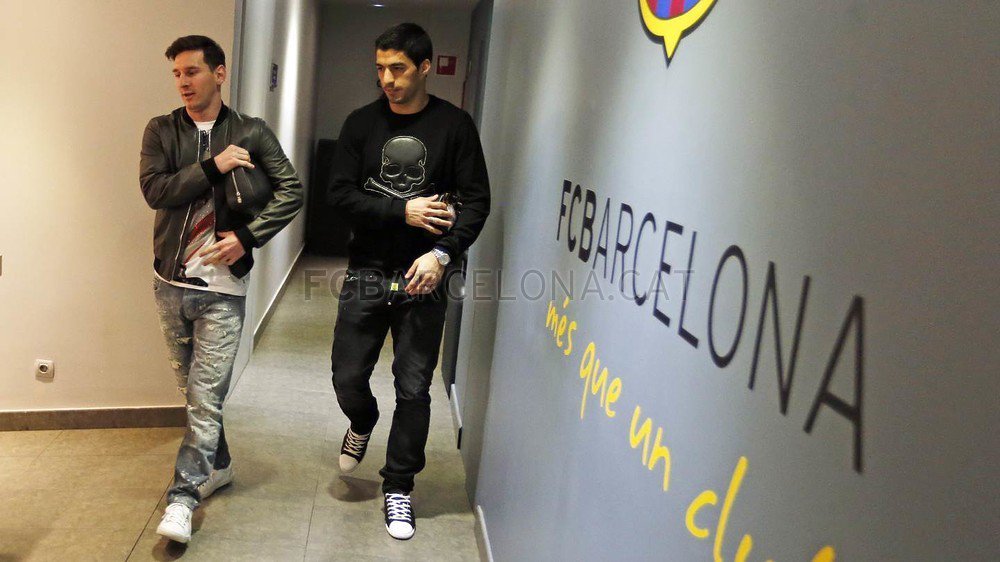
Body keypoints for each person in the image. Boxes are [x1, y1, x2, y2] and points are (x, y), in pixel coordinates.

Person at [327, 22, 490, 540]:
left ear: (424, 67)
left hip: (426, 276)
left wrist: (443, 253)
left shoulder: (454, 126)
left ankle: (399, 485)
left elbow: (477, 201)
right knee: (347, 376)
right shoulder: (361, 123)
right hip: (367, 271)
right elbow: (339, 194)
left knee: (414, 386)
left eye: (397, 69)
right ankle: (362, 421)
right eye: (380, 68)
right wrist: (403, 210)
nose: (387, 79)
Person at [139, 35, 303, 544]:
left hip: (223, 289)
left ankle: (183, 499)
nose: (183, 82)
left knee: (205, 397)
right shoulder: (161, 130)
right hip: (170, 282)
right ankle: (221, 464)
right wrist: (214, 165)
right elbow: (155, 190)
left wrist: (247, 237)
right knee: (193, 394)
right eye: (176, 74)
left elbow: (291, 190)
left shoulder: (251, 131)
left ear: (219, 73)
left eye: (192, 71)